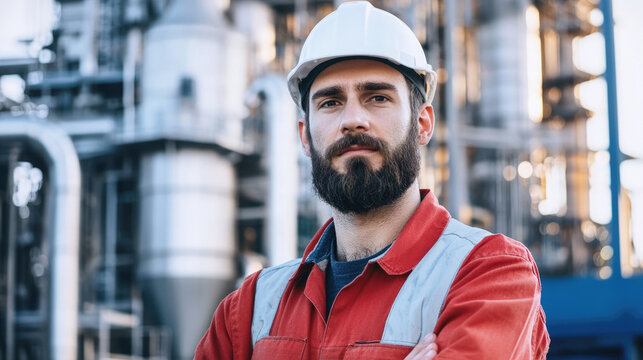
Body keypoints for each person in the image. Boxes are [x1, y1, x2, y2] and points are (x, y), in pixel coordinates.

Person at [195, 1, 550, 359]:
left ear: (423, 124)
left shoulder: (488, 274)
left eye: (377, 97)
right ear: (305, 136)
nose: (352, 119)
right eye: (330, 102)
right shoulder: (250, 308)